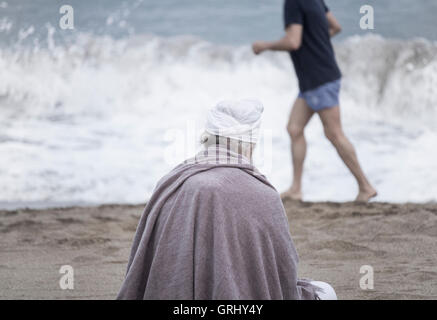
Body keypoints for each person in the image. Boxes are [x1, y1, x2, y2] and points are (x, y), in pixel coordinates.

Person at [117, 99, 336, 300]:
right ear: (250, 142)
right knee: (326, 291)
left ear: (209, 138)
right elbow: (284, 271)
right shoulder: (264, 194)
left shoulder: (171, 181)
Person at [252, 0, 377, 202]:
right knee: (294, 128)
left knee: (334, 134)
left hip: (318, 79)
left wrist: (264, 46)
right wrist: (316, 45)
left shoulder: (292, 2)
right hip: (315, 79)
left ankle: (365, 186)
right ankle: (296, 189)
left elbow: (293, 42)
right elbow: (336, 27)